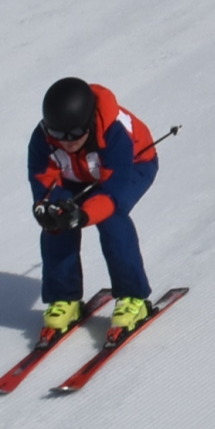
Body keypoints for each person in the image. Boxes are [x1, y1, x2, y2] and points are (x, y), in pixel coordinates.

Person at [28, 77, 159, 346]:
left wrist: (83, 215)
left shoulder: (115, 132)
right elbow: (43, 182)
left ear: (88, 123)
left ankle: (133, 297)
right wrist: (46, 208)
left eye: (75, 133)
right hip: (78, 174)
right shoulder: (42, 138)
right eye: (58, 134)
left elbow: (112, 194)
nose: (67, 142)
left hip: (134, 165)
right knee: (56, 224)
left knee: (112, 219)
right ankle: (64, 297)